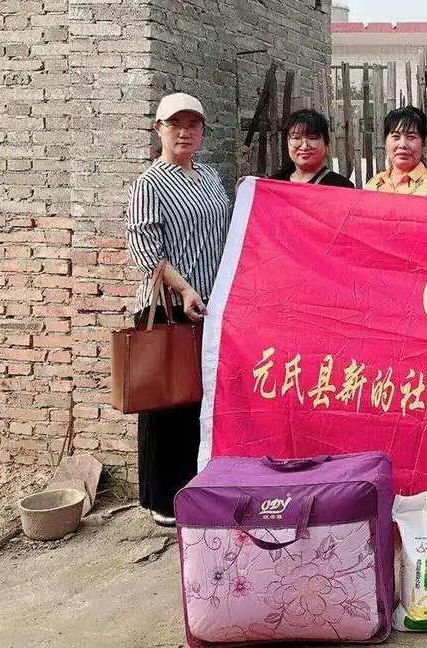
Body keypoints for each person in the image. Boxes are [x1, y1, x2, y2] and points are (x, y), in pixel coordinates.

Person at [125, 93, 231, 527]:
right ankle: (161, 499)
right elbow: (146, 251)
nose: (184, 132)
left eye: (192, 125)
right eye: (175, 125)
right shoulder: (149, 184)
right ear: (159, 130)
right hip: (168, 307)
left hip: (208, 307)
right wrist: (185, 289)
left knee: (197, 402)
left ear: (202, 132)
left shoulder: (210, 177)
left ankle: (194, 487)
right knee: (165, 404)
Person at [365, 105, 427, 197]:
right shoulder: (373, 185)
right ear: (385, 143)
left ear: (423, 142)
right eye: (396, 137)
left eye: (411, 137)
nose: (403, 145)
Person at [270, 108, 354, 187]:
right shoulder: (273, 185)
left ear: (326, 145)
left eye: (312, 138)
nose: (304, 146)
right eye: (296, 138)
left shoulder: (341, 187)